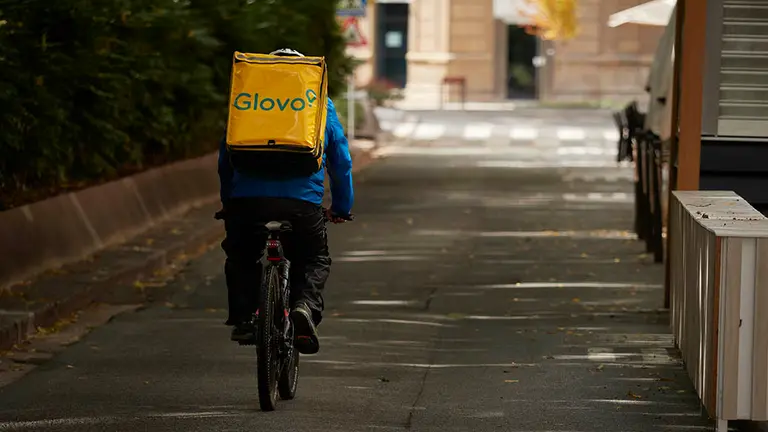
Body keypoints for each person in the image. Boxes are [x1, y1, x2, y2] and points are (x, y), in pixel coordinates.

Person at [217, 48, 354, 355]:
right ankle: (304, 306)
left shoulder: (247, 103)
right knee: (314, 259)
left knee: (241, 257)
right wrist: (342, 207)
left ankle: (243, 319)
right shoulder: (319, 104)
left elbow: (225, 159)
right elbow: (341, 160)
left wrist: (229, 203)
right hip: (301, 204)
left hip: (247, 203)